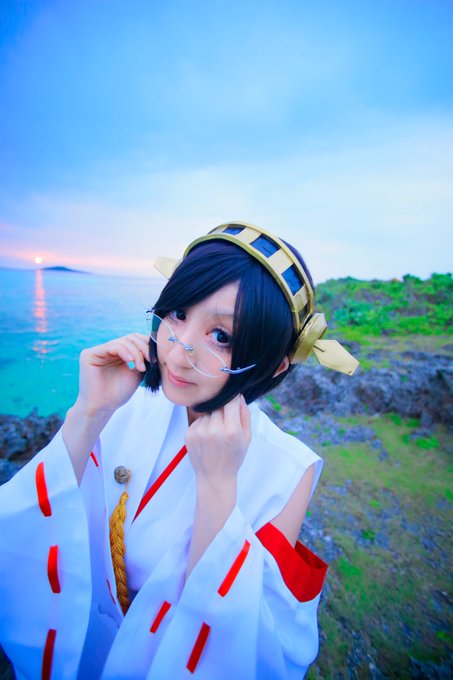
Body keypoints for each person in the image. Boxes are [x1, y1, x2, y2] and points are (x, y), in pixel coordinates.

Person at [0, 222, 358, 679]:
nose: (178, 350)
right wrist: (89, 411)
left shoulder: (288, 470)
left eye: (221, 336)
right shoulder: (129, 403)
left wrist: (217, 486)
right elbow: (26, 532)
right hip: (81, 643)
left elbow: (239, 641)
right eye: (179, 313)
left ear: (274, 364)